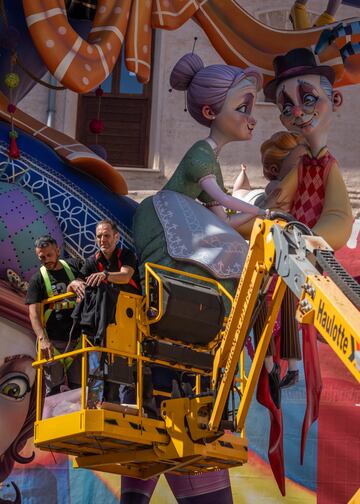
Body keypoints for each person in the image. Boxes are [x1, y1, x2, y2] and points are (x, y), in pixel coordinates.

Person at [133, 53, 266, 304]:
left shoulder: (212, 162)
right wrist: (259, 210)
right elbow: (222, 197)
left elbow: (225, 221)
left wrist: (255, 214)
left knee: (235, 248)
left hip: (181, 214)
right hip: (163, 216)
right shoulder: (200, 154)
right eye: (242, 109)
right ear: (209, 111)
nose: (252, 119)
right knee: (208, 257)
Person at [77, 219, 140, 406]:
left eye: (106, 235)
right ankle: (95, 404)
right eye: (99, 236)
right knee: (96, 361)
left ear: (116, 237)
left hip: (125, 321)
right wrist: (75, 284)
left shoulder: (126, 255)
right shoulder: (92, 261)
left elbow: (126, 275)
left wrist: (105, 275)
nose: (102, 239)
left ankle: (125, 405)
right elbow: (80, 281)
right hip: (100, 324)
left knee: (123, 365)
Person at [25, 235, 83, 396]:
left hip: (77, 341)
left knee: (79, 389)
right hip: (53, 343)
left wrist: (79, 280)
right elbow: (34, 313)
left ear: (58, 251)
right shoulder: (38, 280)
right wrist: (43, 339)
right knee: (55, 389)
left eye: (49, 255)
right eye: (42, 257)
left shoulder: (74, 267)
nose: (46, 260)